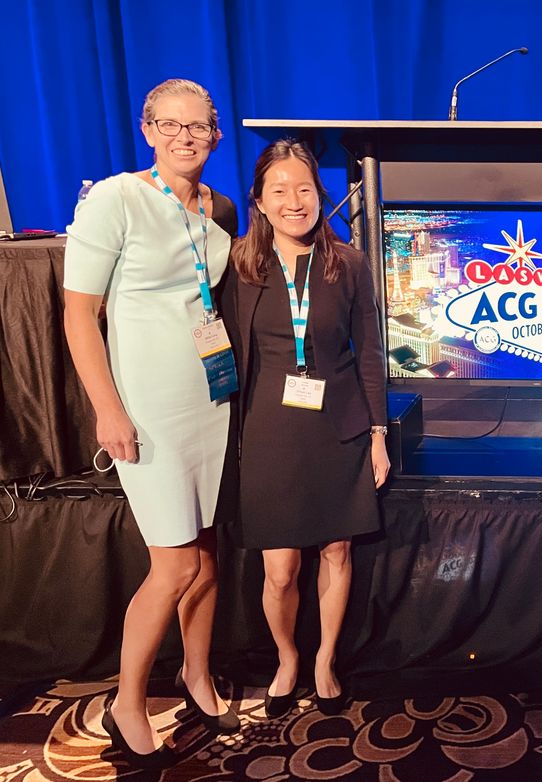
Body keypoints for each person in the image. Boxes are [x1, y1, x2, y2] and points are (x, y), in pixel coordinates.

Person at [64, 78, 240, 767]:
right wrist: (108, 408)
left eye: (198, 127)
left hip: (210, 401)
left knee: (207, 555)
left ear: (216, 136)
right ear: (147, 129)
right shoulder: (117, 198)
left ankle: (196, 677)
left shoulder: (215, 209)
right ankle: (126, 703)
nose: (185, 138)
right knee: (172, 565)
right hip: (149, 408)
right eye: (171, 125)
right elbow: (79, 314)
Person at [221, 139, 389, 718]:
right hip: (269, 432)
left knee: (337, 550)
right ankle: (287, 656)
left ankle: (324, 660)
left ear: (319, 194)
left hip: (338, 427)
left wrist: (377, 434)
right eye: (280, 191)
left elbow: (367, 353)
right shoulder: (239, 267)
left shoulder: (349, 264)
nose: (295, 201)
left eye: (305, 189)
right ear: (260, 202)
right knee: (281, 566)